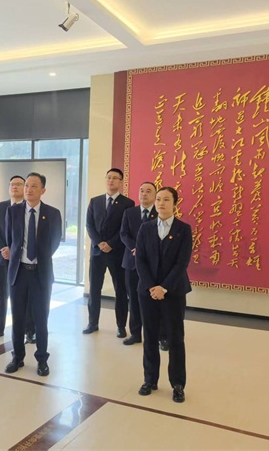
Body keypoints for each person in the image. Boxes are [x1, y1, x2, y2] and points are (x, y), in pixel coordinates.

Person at [135, 186, 192, 403]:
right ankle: (150, 379)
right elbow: (140, 260)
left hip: (173, 291)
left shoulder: (183, 229)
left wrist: (164, 288)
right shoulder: (145, 228)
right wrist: (152, 287)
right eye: (158, 199)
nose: (161, 203)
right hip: (147, 292)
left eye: (166, 199)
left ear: (175, 203)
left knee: (175, 338)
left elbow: (182, 263)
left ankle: (178, 384)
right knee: (149, 336)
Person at [4, 172, 62, 377]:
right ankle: (17, 357)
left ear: (43, 190)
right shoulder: (13, 211)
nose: (28, 189)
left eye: (34, 186)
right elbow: (10, 239)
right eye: (26, 185)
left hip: (40, 273)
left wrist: (40, 257)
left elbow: (55, 241)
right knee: (17, 317)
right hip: (18, 272)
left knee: (40, 318)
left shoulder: (52, 213)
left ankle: (42, 359)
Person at [83, 168, 135, 337]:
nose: (111, 180)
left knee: (120, 290)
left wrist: (111, 244)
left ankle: (121, 326)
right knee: (94, 289)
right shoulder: (95, 201)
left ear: (121, 182)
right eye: (109, 177)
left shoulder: (128, 203)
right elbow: (89, 225)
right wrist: (99, 243)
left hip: (117, 252)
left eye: (115, 178)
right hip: (97, 252)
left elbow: (125, 229)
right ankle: (92, 323)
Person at [0, 175, 25, 340]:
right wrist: (3, 248)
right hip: (1, 258)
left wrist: (13, 250)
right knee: (1, 295)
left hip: (22, 259)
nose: (14, 187)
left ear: (24, 188)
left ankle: (25, 331)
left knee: (22, 297)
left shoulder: (28, 207)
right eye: (12, 184)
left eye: (18, 184)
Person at [119, 181, 157, 346]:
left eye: (148, 191)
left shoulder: (159, 213)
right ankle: (135, 333)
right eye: (142, 190)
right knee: (133, 299)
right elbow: (123, 234)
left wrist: (143, 250)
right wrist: (136, 248)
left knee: (153, 300)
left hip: (152, 264)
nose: (144, 194)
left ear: (155, 195)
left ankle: (157, 335)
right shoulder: (129, 212)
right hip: (132, 262)